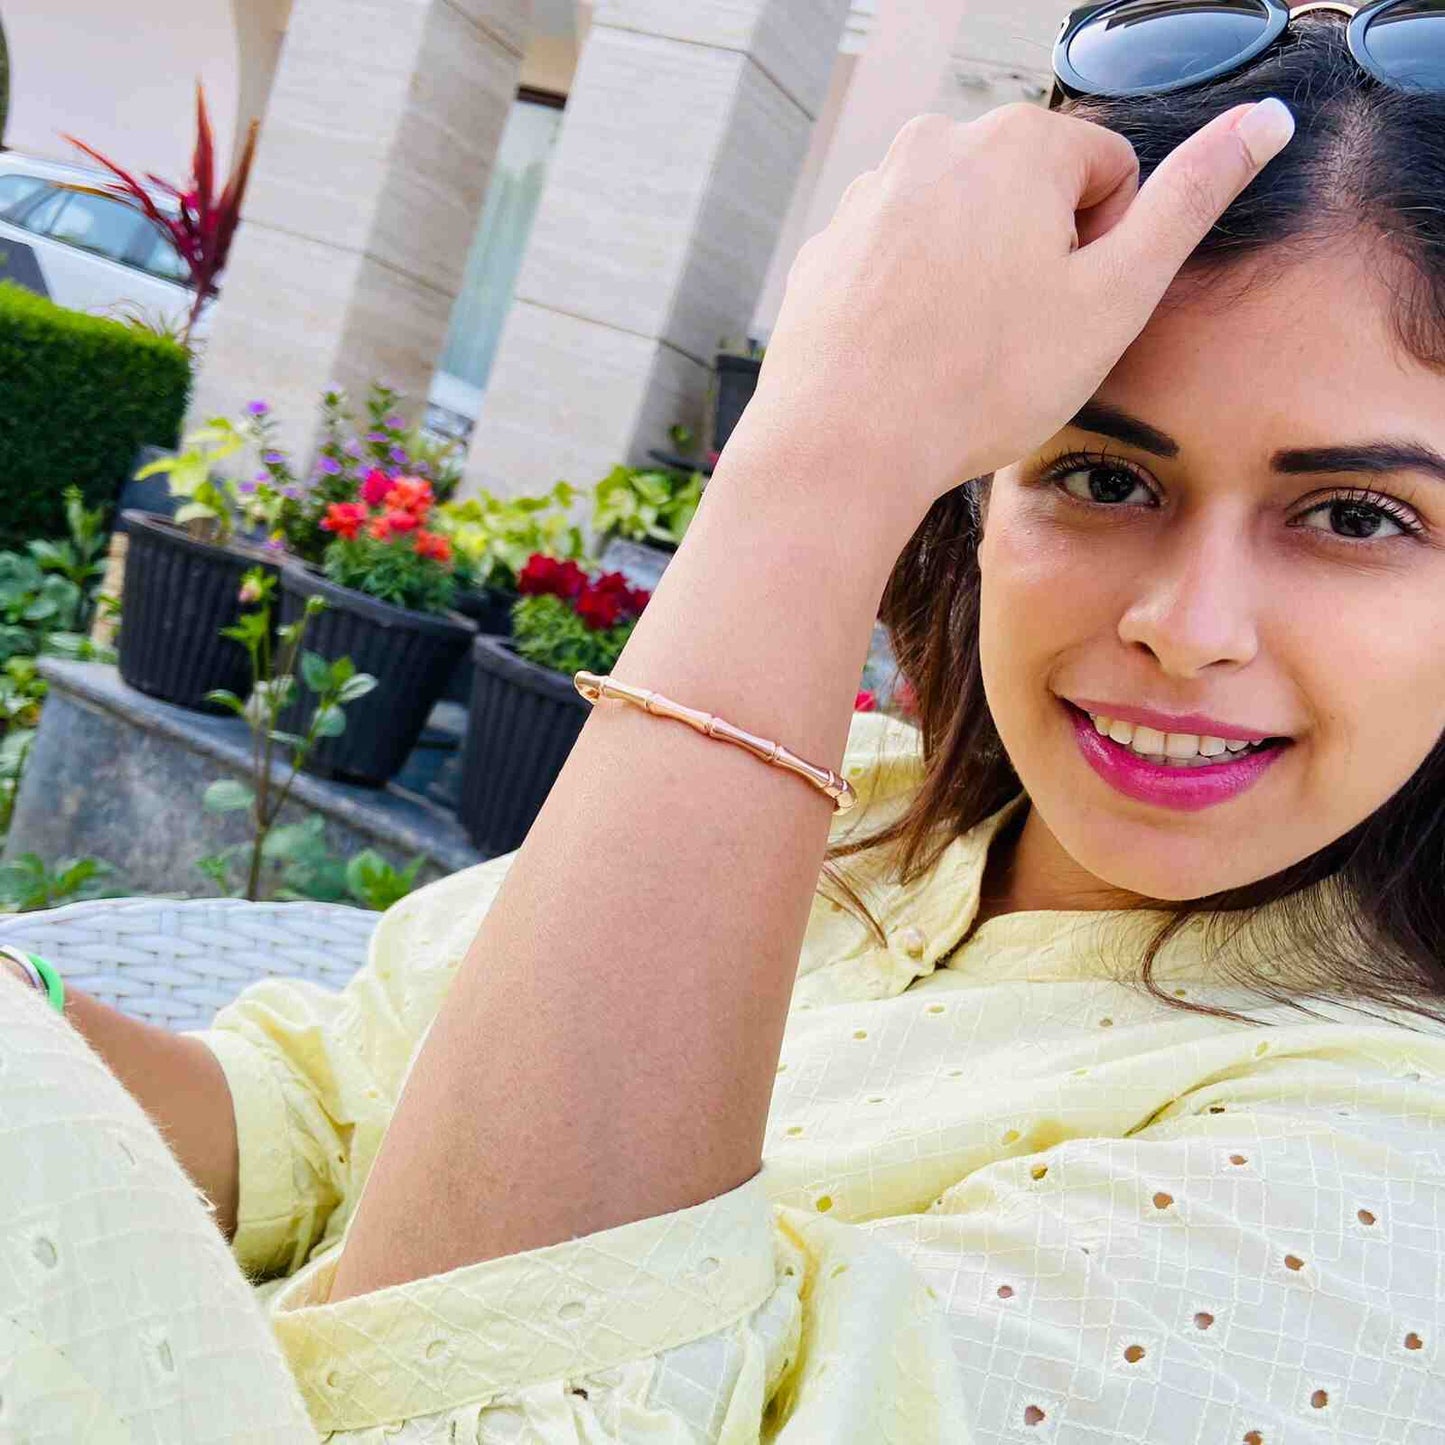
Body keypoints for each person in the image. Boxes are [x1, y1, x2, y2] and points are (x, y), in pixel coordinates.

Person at [7, 5, 1445, 1440]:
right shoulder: (852, 803)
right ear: (986, 499)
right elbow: (311, 1116)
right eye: (1103, 479)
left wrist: (821, 455)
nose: (1188, 626)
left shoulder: (1375, 1175)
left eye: (1356, 516)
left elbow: (511, 1407)